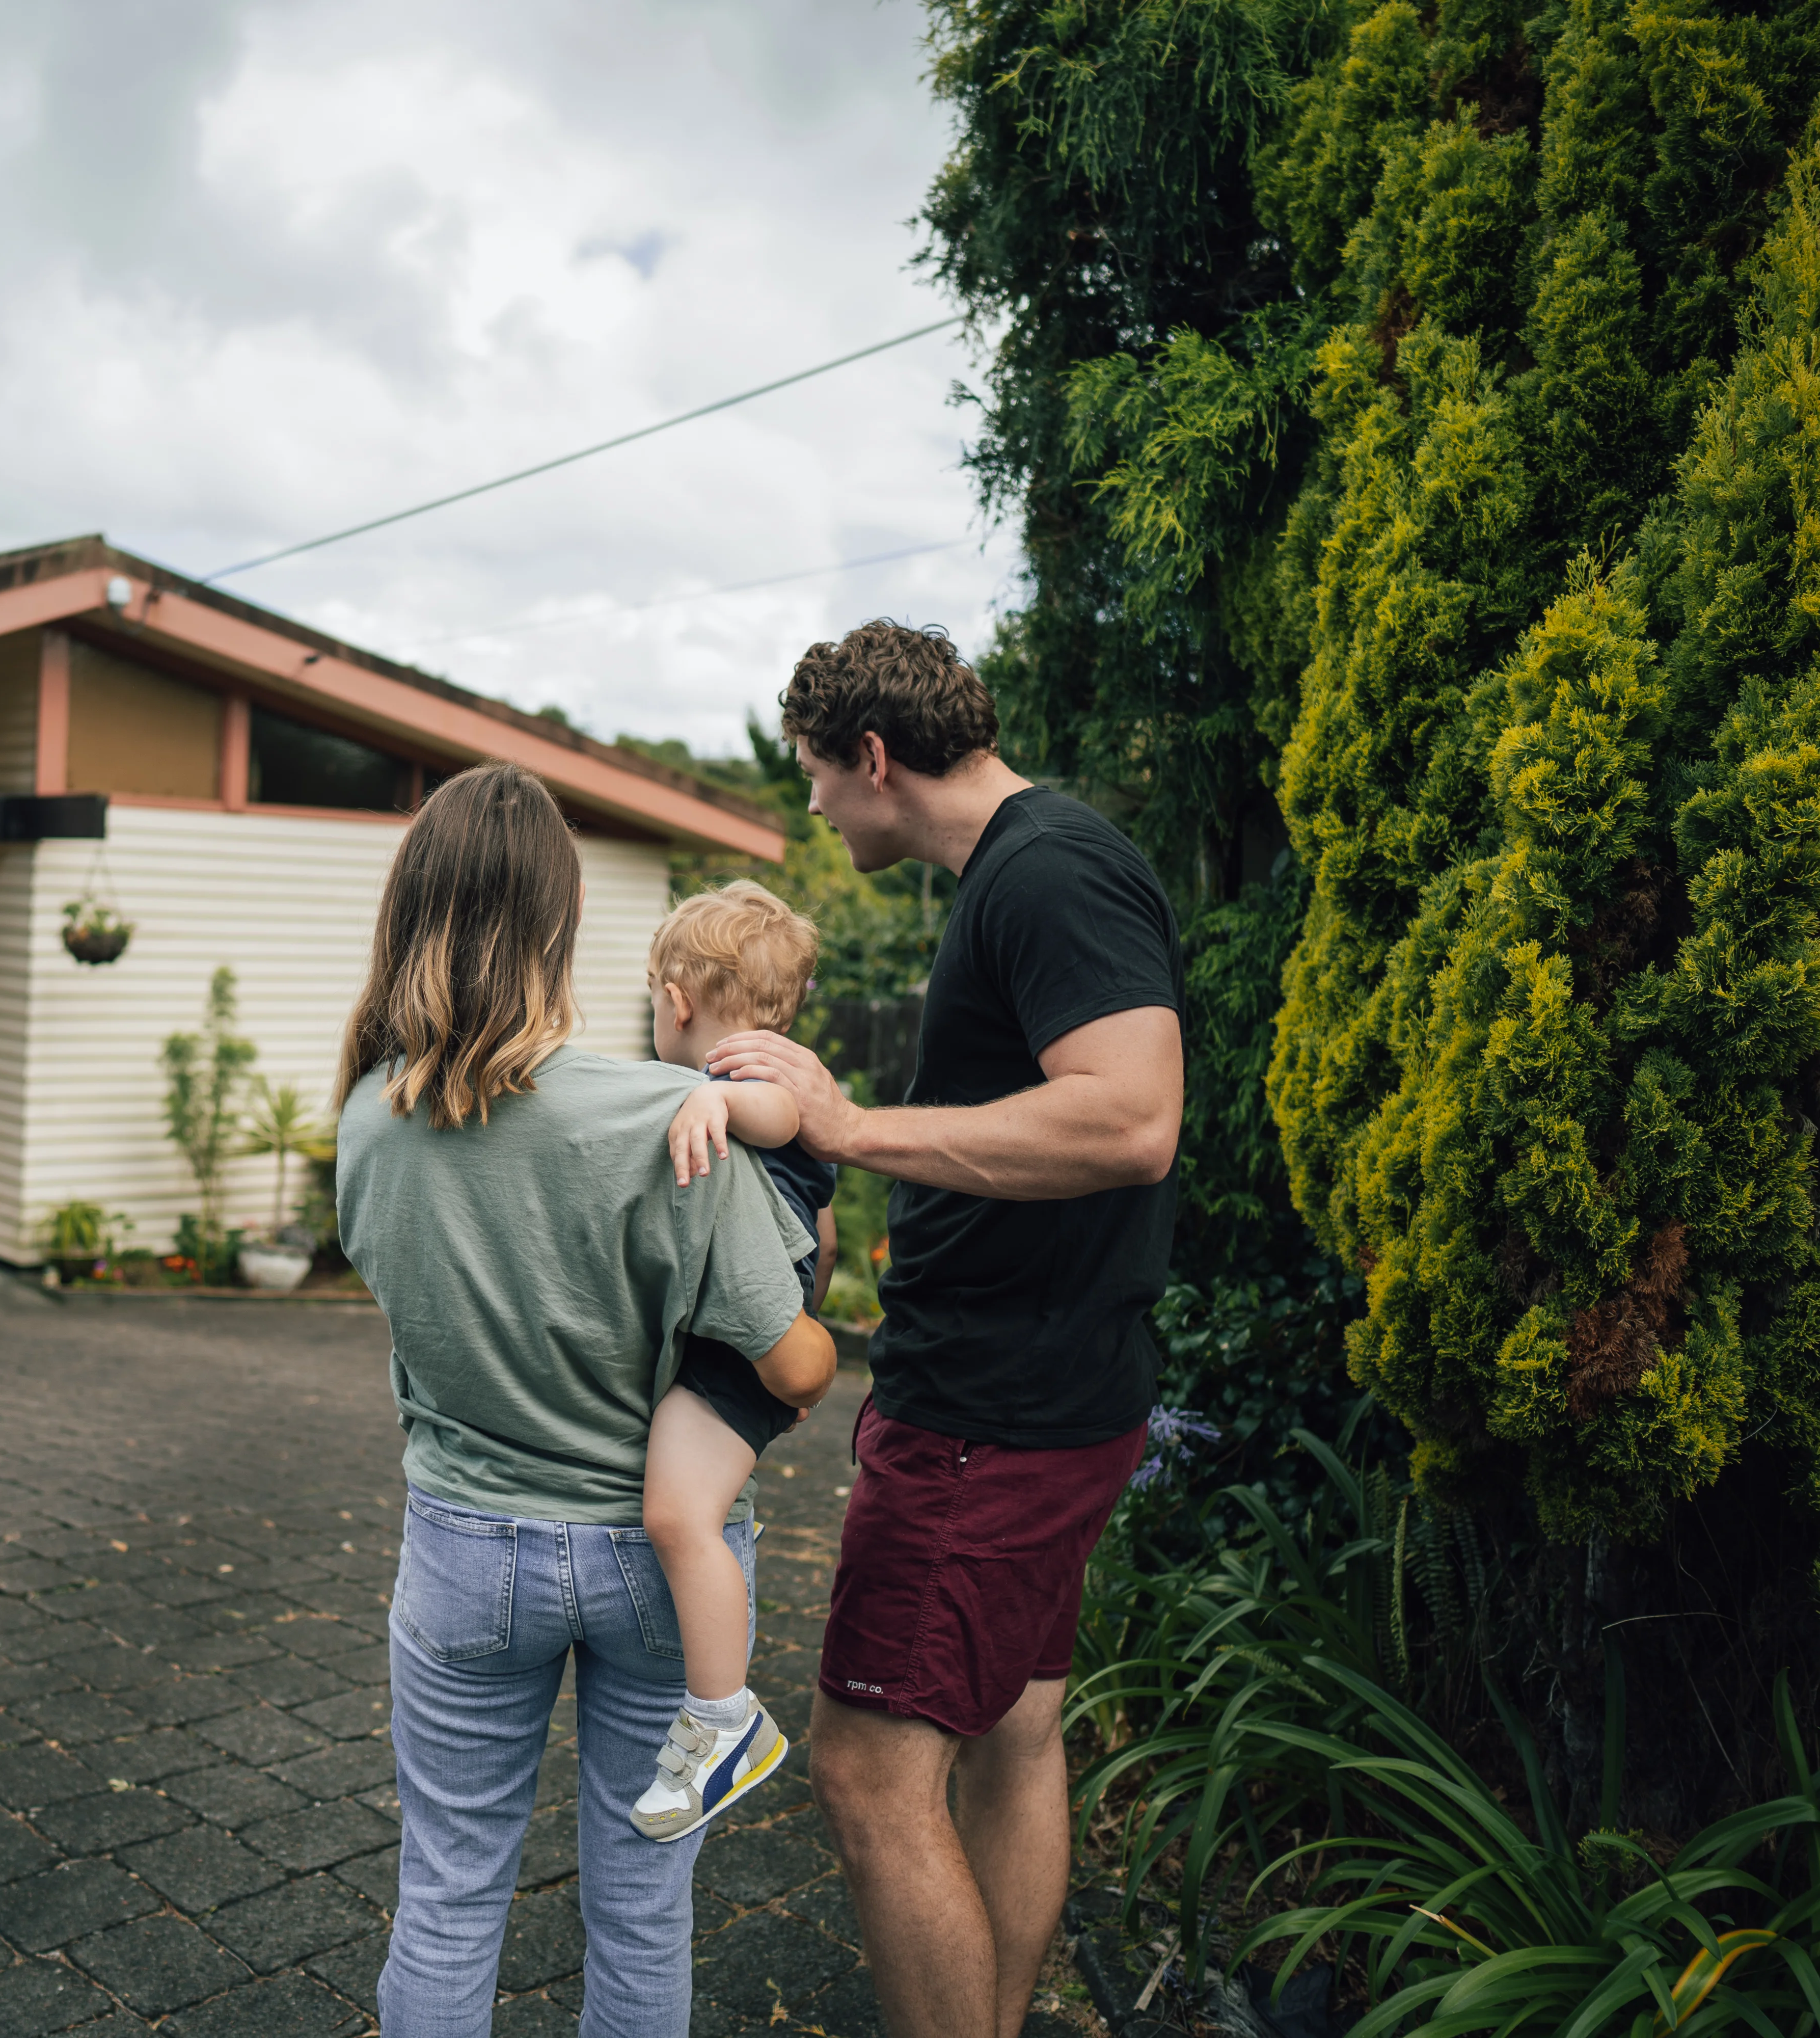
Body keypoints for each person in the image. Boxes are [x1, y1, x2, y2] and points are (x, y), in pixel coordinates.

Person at [707, 621, 1185, 2038]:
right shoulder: (1029, 868)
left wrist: (852, 1128)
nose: (807, 807)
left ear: (872, 757)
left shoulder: (1046, 871)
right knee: (1018, 1729)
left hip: (991, 1414)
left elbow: (1132, 1116)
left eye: (812, 775)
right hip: (1052, 1396)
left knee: (863, 1770)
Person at [336, 762, 838, 2038]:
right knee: (642, 1907)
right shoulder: (677, 1115)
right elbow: (784, 1362)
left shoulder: (365, 1121)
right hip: (655, 1564)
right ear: (560, 925)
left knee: (446, 1899)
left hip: (461, 1551)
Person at [629, 880, 839, 1841]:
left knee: (679, 1515)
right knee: (682, 1512)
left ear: (676, 998)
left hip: (734, 1358)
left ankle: (726, 1721)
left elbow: (786, 1121)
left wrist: (714, 1095)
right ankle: (718, 1715)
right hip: (737, 1347)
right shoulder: (733, 1081)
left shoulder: (759, 1085)